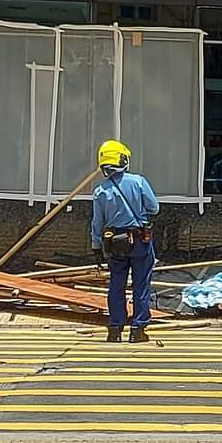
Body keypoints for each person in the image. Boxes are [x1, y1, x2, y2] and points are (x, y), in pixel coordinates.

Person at [91, 140, 160, 343]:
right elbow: (154, 208)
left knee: (116, 285)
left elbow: (97, 222)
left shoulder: (100, 191)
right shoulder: (138, 182)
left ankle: (115, 329)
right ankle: (138, 329)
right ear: (123, 159)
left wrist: (96, 246)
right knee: (141, 284)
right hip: (139, 240)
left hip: (114, 243)